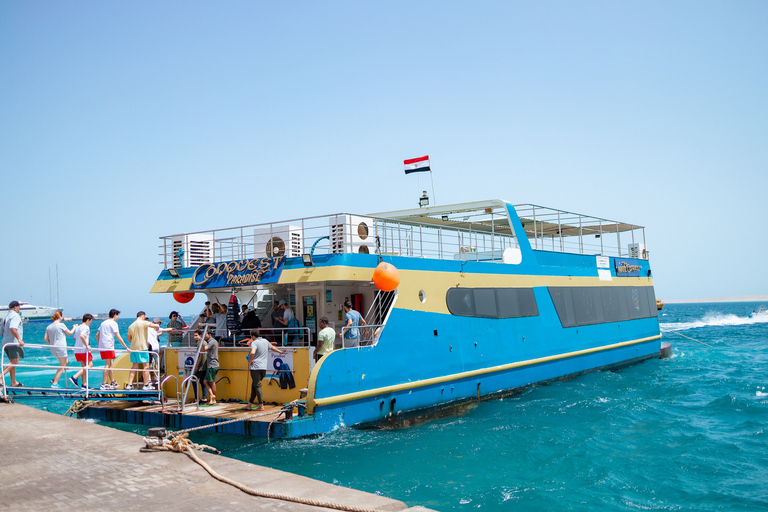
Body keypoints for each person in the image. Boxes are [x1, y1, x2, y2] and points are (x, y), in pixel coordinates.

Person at [244, 328, 285, 411]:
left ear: (252, 336)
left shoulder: (254, 342)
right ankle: (249, 404)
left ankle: (261, 405)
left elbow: (252, 352)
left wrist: (250, 361)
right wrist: (280, 352)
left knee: (257, 386)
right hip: (263, 368)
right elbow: (273, 348)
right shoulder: (265, 341)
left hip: (256, 367)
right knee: (254, 386)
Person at [126, 311, 159, 390]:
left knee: (134, 366)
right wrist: (157, 327)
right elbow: (155, 325)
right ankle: (146, 384)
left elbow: (129, 339)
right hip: (143, 348)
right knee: (146, 367)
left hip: (133, 348)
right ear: (143, 316)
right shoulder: (143, 323)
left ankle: (129, 384)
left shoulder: (131, 326)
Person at [96, 309, 128, 390]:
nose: (118, 317)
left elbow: (97, 335)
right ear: (114, 315)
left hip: (102, 346)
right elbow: (118, 336)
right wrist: (126, 347)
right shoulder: (113, 323)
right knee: (107, 364)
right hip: (109, 346)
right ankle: (104, 383)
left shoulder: (103, 323)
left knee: (110, 363)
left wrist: (99, 344)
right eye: (117, 315)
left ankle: (112, 381)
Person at [44, 311, 74, 388]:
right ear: (60, 316)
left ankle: (54, 378)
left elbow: (45, 339)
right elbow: (70, 333)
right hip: (61, 347)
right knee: (63, 364)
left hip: (53, 348)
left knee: (65, 362)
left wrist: (52, 342)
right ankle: (55, 383)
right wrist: (74, 327)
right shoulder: (61, 325)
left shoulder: (49, 326)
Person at [1, 300, 25, 387]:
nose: (19, 309)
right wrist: (19, 339)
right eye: (19, 307)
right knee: (15, 361)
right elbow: (13, 328)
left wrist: (6, 338)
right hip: (13, 342)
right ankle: (0, 377)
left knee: (12, 362)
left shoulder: (5, 316)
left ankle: (13, 382)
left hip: (6, 343)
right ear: (15, 307)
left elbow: (2, 331)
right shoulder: (15, 316)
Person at [70, 314, 95, 389]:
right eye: (90, 321)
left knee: (84, 367)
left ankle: (84, 384)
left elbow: (75, 338)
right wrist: (87, 345)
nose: (90, 323)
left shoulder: (78, 328)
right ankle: (75, 377)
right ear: (88, 320)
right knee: (90, 365)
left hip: (77, 350)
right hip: (84, 350)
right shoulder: (86, 327)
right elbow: (81, 336)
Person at [147, 317, 173, 384]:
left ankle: (150, 379)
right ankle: (155, 378)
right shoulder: (154, 328)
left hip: (148, 347)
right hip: (153, 347)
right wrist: (173, 329)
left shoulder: (147, 329)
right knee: (155, 363)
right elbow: (163, 330)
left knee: (149, 364)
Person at [199, 330, 219, 404]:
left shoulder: (212, 342)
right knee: (205, 381)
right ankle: (212, 396)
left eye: (205, 334)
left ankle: (213, 398)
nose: (204, 336)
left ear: (210, 335)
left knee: (211, 382)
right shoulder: (211, 342)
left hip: (212, 365)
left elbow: (205, 349)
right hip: (211, 365)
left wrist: (201, 341)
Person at [191, 330, 209, 402]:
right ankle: (204, 397)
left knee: (193, 379)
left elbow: (201, 355)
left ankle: (196, 398)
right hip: (205, 364)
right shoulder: (203, 342)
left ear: (200, 336)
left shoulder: (200, 343)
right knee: (202, 381)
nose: (195, 337)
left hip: (202, 365)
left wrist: (196, 366)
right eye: (194, 336)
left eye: (196, 335)